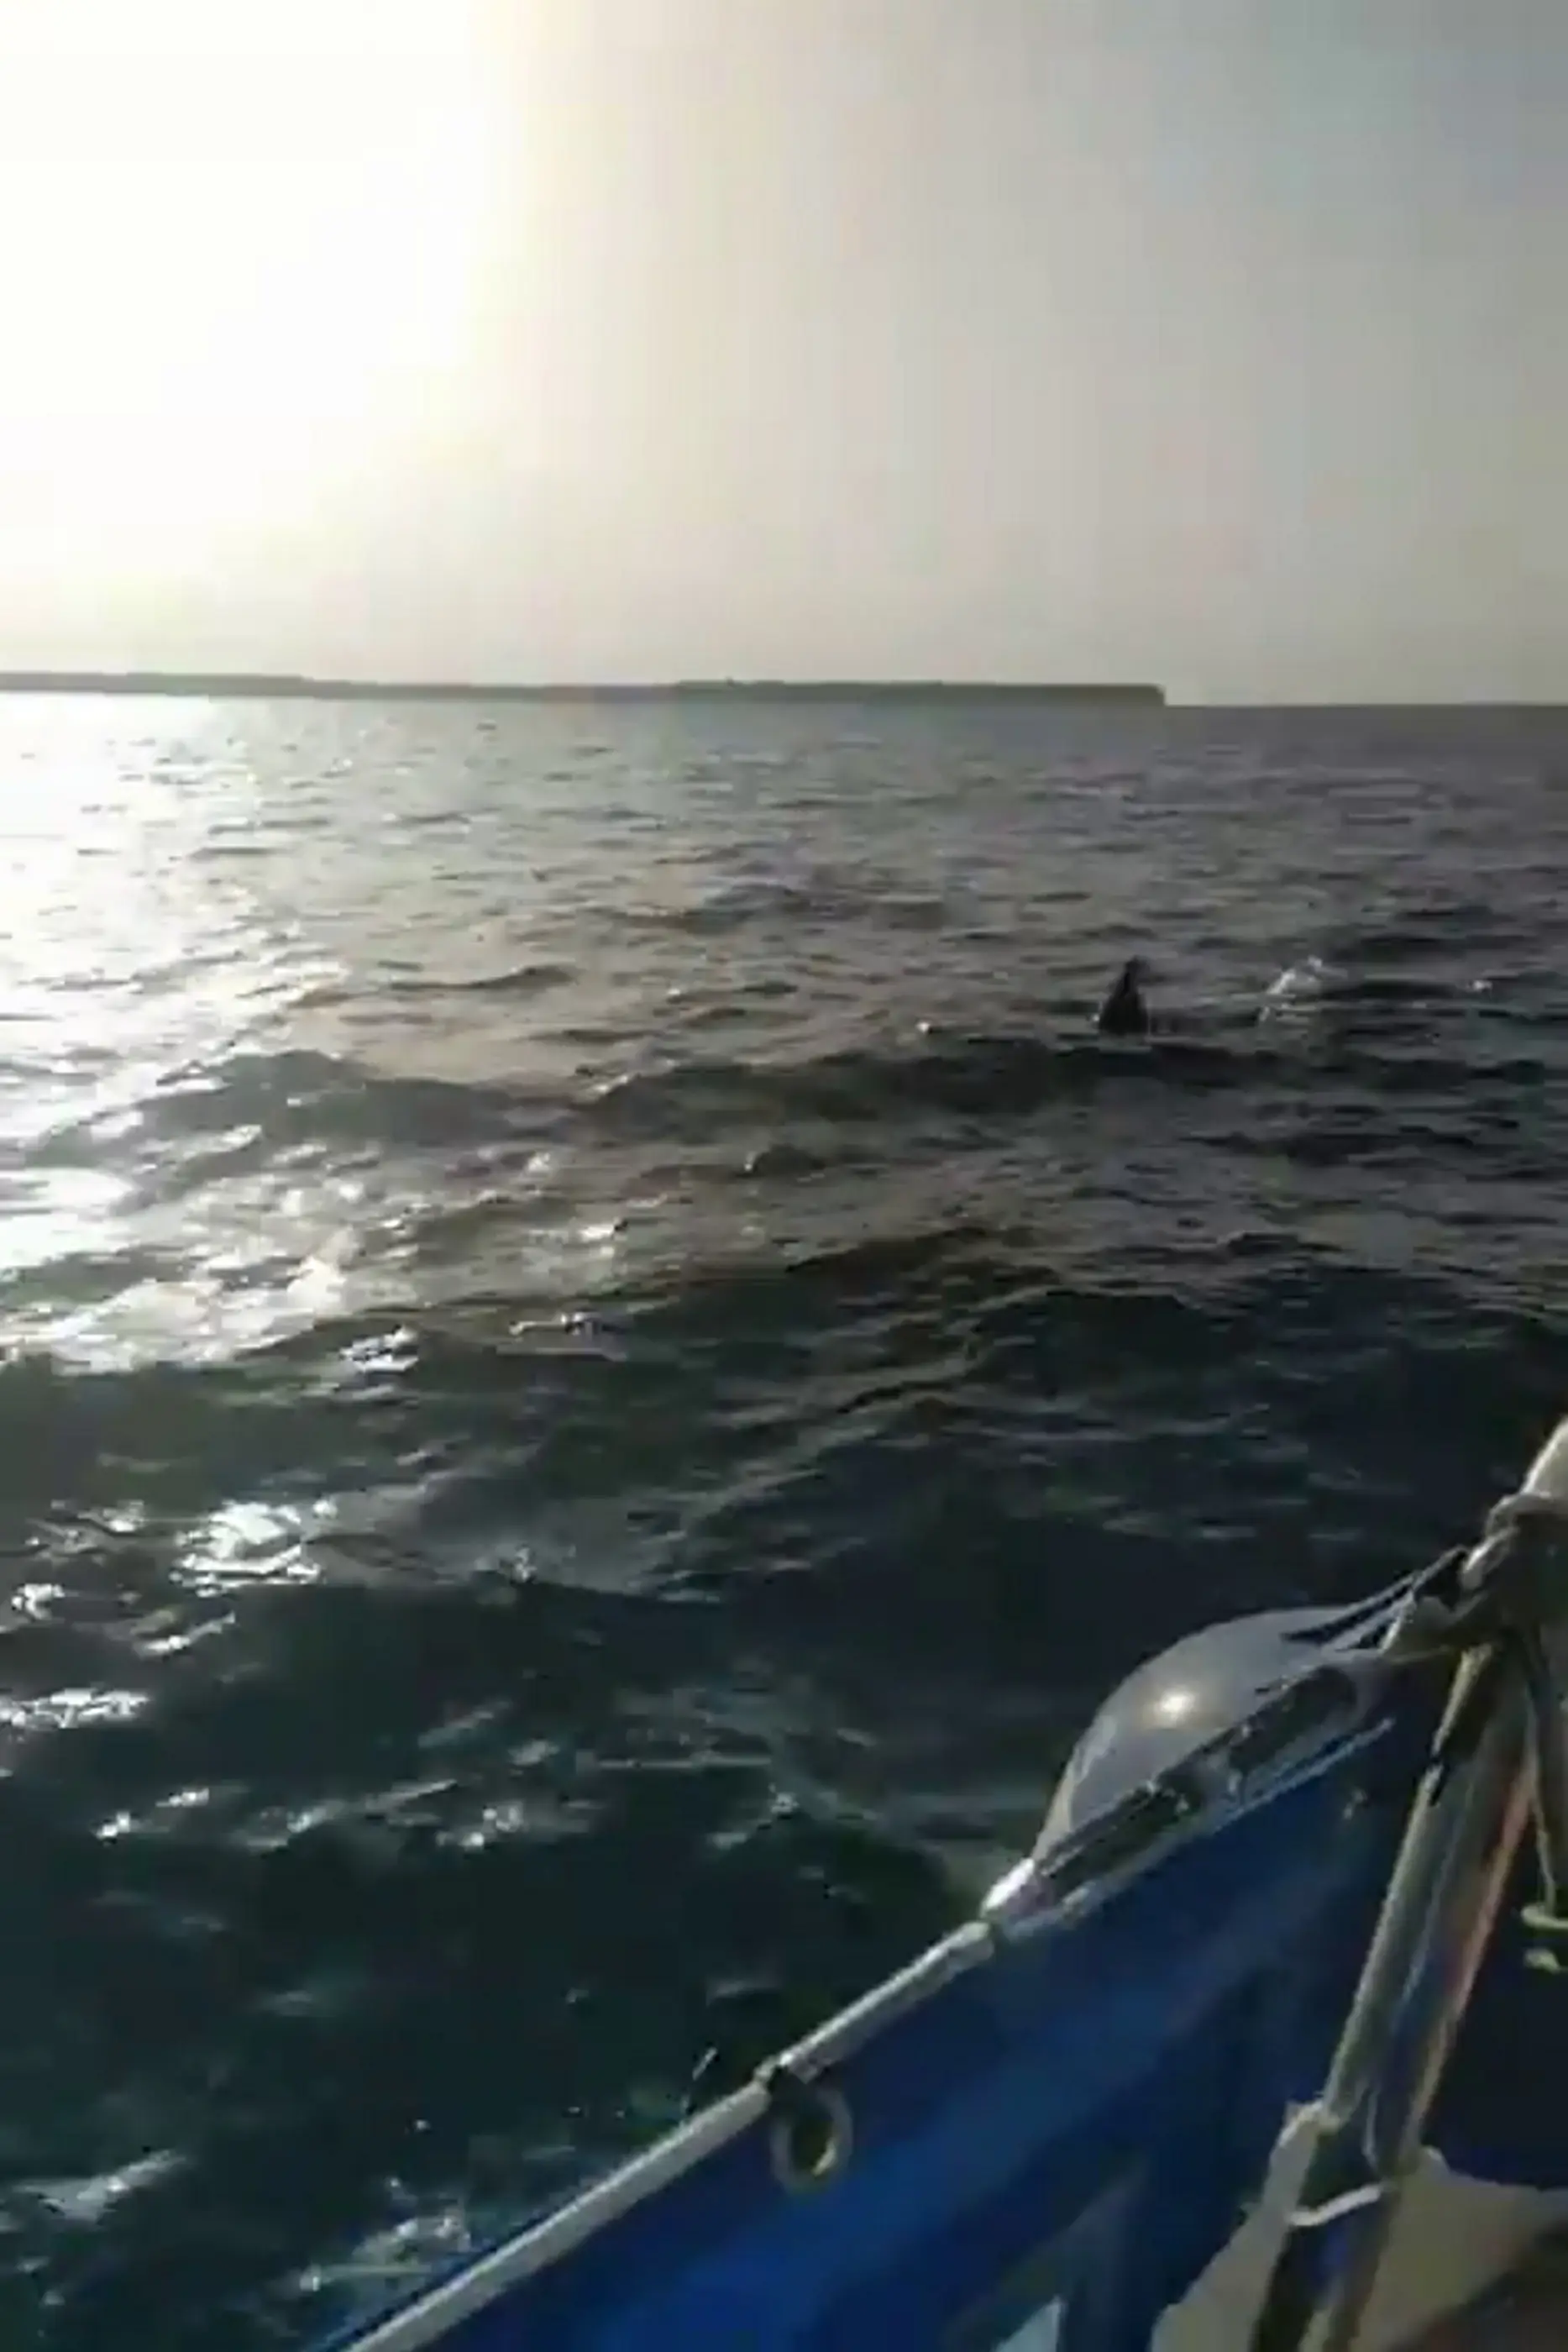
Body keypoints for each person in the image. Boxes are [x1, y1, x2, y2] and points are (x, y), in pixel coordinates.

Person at [1094, 955, 1151, 1038]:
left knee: (1122, 996)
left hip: (1117, 1023)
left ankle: (1131, 972)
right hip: (1124, 1023)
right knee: (1125, 996)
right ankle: (1131, 972)